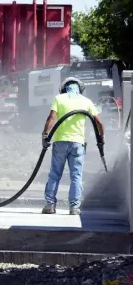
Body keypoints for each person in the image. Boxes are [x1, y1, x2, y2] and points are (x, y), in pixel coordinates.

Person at [41, 77, 104, 216]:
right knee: (76, 176)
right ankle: (74, 208)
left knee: (54, 175)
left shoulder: (59, 98)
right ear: (80, 89)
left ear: (64, 88)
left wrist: (45, 135)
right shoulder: (86, 101)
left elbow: (52, 118)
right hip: (78, 144)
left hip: (60, 143)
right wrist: (101, 139)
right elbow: (99, 123)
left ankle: (50, 205)